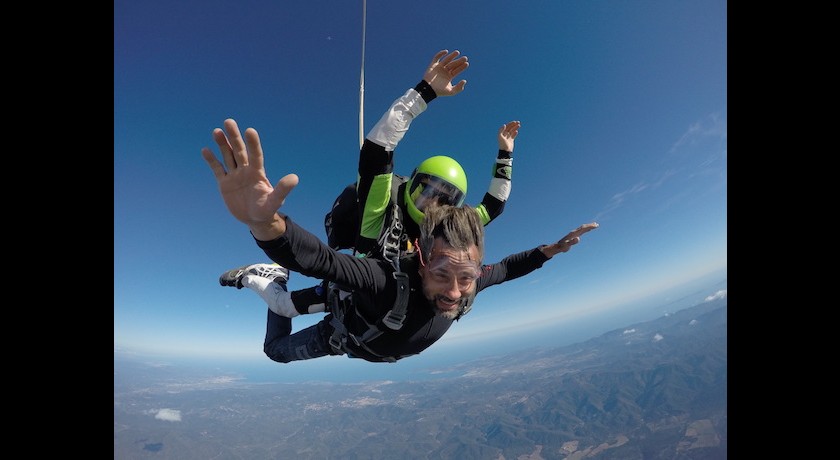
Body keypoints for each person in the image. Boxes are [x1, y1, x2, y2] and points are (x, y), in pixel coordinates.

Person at [201, 115, 599, 363]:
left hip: (361, 313)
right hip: (353, 303)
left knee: (290, 308)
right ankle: (267, 276)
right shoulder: (388, 262)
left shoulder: (460, 260)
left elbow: (500, 237)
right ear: (424, 260)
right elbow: (321, 259)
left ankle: (275, 278)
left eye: (444, 201)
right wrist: (266, 226)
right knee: (281, 324)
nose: (456, 291)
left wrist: (551, 249)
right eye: (426, 192)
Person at [222, 49, 520, 316]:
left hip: (386, 296)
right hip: (357, 282)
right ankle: (258, 276)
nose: (433, 204)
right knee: (283, 307)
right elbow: (378, 150)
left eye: (446, 199)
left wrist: (505, 151)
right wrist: (423, 93)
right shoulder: (381, 210)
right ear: (412, 183)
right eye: (427, 191)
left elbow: (493, 206)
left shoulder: (448, 228)